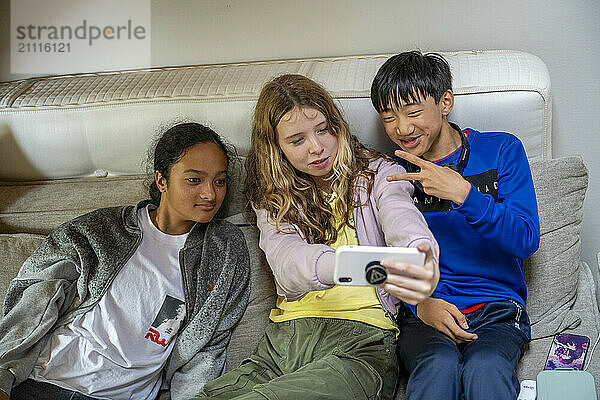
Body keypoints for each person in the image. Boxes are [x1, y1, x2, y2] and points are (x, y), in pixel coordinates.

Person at [191, 74, 439, 400]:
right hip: (281, 345)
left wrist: (418, 252)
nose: (317, 147)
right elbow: (287, 262)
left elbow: (402, 218)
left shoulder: (379, 173)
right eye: (297, 140)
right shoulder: (272, 196)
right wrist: (348, 266)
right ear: (276, 148)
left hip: (360, 344)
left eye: (323, 130)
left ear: (336, 125)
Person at [0, 123, 251, 400]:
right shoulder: (100, 230)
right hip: (43, 383)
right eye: (194, 180)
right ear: (161, 181)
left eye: (220, 180)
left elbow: (209, 347)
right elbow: (34, 293)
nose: (210, 194)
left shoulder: (224, 250)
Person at [370, 51, 541, 399]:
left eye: (413, 112)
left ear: (445, 101)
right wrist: (421, 305)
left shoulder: (501, 150)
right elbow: (384, 262)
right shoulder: (389, 174)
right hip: (425, 314)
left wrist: (465, 195)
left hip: (497, 309)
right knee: (438, 367)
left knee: (486, 368)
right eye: (389, 118)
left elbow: (526, 239)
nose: (402, 128)